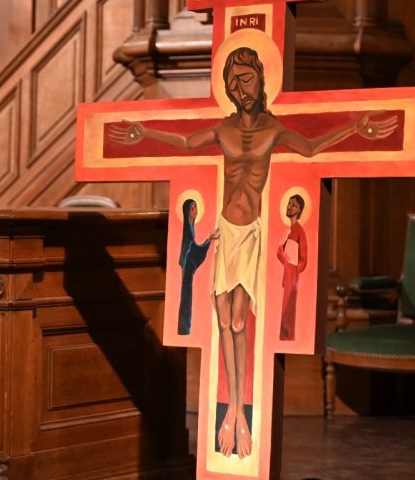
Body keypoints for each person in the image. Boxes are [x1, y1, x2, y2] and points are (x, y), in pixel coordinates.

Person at [109, 45, 397, 459]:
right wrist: (145, 133)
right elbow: (188, 143)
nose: (239, 89)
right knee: (223, 322)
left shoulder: (274, 130)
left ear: (261, 78)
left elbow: (313, 148)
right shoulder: (224, 130)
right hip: (225, 230)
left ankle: (242, 412)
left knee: (240, 323)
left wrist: (356, 127)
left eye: (245, 79)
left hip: (251, 234)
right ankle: (232, 414)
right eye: (232, 82)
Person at [177, 198, 213, 335]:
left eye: (195, 208)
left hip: (188, 263)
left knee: (187, 296)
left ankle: (185, 328)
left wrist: (207, 241)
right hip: (187, 264)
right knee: (186, 296)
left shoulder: (191, 226)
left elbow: (193, 247)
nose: (194, 211)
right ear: (186, 211)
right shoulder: (188, 227)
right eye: (192, 209)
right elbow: (190, 248)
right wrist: (208, 241)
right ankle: (183, 328)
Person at [277, 194, 308, 340]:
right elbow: (281, 252)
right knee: (283, 307)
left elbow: (303, 259)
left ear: (299, 210)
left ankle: (287, 337)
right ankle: (284, 336)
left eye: (293, 205)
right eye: (289, 204)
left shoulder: (299, 231)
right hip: (287, 274)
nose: (289, 207)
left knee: (288, 308)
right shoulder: (289, 230)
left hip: (292, 276)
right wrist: (283, 258)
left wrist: (293, 271)